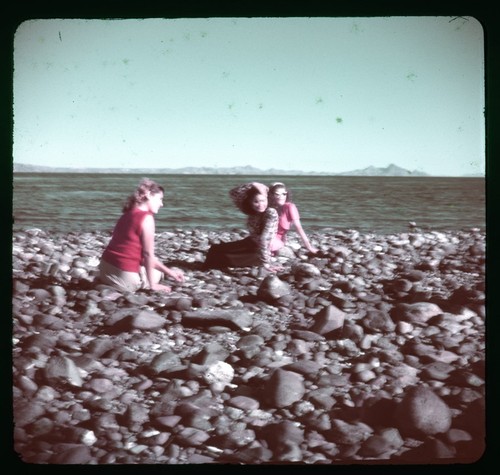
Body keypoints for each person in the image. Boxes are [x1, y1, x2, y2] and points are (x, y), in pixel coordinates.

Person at [98, 178, 184, 293]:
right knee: (157, 273)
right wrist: (153, 285)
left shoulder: (126, 215)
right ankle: (148, 282)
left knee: (154, 267)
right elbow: (147, 255)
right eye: (160, 199)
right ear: (149, 195)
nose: (161, 204)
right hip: (124, 280)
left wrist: (171, 273)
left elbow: (136, 254)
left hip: (105, 270)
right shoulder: (146, 218)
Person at [204, 182, 282, 273]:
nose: (260, 204)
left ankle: (207, 269)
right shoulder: (253, 212)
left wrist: (266, 263)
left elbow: (265, 239)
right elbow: (233, 193)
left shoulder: (270, 212)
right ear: (250, 202)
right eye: (256, 201)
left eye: (263, 201)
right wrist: (253, 184)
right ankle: (208, 268)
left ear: (267, 200)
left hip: (258, 250)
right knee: (215, 249)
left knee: (220, 255)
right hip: (250, 243)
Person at [268, 182, 318, 255]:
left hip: (276, 241)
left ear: (286, 194)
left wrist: (309, 247)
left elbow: (299, 228)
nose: (281, 196)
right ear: (272, 195)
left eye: (283, 194)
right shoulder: (270, 208)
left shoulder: (290, 207)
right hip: (265, 237)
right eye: (277, 194)